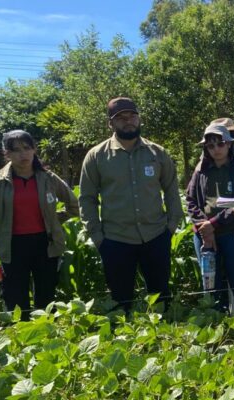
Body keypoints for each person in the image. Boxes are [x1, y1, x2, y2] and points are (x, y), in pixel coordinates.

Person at [79, 97, 184, 311]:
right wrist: (98, 237)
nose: (128, 121)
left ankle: (163, 332)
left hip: (156, 236)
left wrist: (171, 227)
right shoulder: (96, 156)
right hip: (115, 240)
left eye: (132, 116)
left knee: (161, 299)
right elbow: (87, 198)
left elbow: (172, 191)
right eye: (121, 118)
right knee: (120, 302)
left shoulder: (157, 153)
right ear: (110, 123)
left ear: (139, 118)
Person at [0, 130, 79, 320]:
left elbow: (74, 205)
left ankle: (46, 331)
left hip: (45, 244)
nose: (23, 154)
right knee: (15, 298)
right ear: (7, 154)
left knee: (46, 298)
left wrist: (54, 219)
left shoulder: (48, 178)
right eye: (16, 150)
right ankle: (20, 333)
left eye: (26, 148)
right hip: (12, 245)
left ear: (34, 149)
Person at [185, 123, 234, 308]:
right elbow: (190, 199)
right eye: (210, 145)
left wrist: (213, 224)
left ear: (229, 144)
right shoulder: (200, 170)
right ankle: (215, 318)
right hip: (205, 235)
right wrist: (204, 226)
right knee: (210, 283)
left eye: (220, 144)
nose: (216, 149)